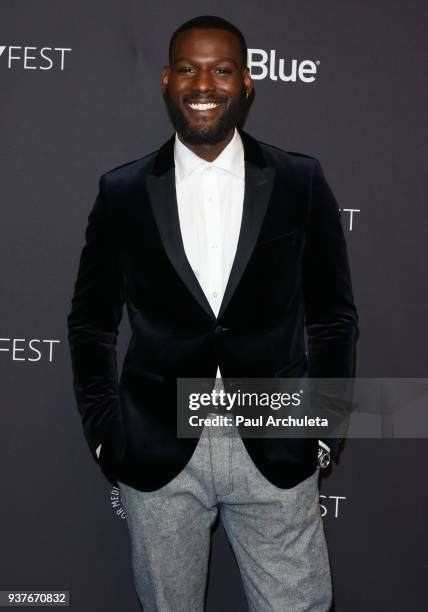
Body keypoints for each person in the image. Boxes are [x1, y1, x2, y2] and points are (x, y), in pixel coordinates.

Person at [67, 15, 358, 612]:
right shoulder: (121, 192)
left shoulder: (299, 180)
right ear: (167, 79)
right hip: (157, 448)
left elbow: (332, 318)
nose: (205, 84)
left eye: (221, 69)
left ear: (246, 83)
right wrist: (106, 437)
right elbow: (90, 325)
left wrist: (325, 432)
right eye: (190, 69)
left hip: (277, 439)